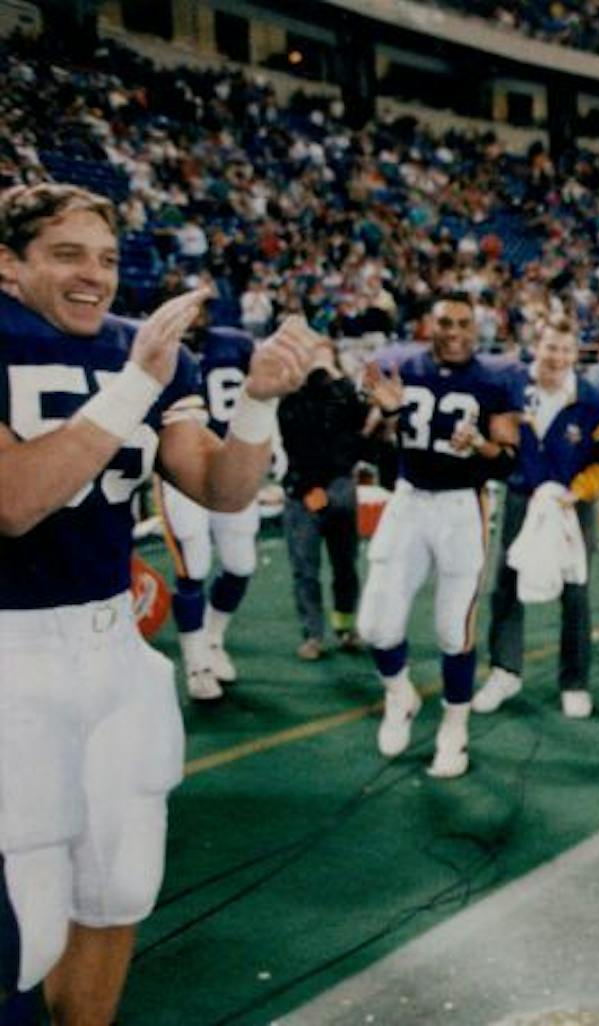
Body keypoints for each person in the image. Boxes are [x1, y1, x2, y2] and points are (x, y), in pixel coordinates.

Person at [0, 183, 316, 1026]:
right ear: (7, 263)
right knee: (22, 935)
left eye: (105, 258)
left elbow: (220, 485)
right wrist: (132, 387)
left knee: (118, 886)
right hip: (10, 654)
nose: (93, 276)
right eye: (66, 254)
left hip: (110, 651)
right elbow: (14, 499)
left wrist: (257, 401)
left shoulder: (134, 350)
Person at [355, 293, 522, 779]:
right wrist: (386, 414)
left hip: (461, 507)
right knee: (376, 626)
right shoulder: (402, 366)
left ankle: (455, 728)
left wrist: (481, 445)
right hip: (408, 500)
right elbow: (371, 443)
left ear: (477, 328)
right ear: (430, 324)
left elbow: (509, 458)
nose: (454, 332)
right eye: (445, 322)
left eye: (463, 324)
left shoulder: (495, 378)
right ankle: (399, 694)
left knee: (454, 629)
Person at [473, 317, 599, 719]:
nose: (557, 357)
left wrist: (578, 492)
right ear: (536, 346)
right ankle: (505, 670)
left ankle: (575, 682)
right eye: (550, 347)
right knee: (506, 582)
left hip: (573, 506)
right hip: (522, 498)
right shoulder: (512, 388)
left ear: (576, 354)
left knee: (576, 591)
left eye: (565, 350)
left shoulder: (591, 398)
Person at [152, 297, 261, 700]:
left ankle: (214, 639)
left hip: (230, 461)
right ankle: (196, 663)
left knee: (240, 563)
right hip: (182, 466)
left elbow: (261, 394)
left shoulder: (235, 342)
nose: (192, 318)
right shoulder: (156, 347)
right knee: (193, 567)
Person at [277, 337, 375, 660]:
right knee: (305, 569)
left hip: (339, 487)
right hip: (303, 490)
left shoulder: (343, 395)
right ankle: (313, 635)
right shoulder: (291, 397)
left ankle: (345, 626)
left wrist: (336, 375)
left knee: (345, 565)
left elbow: (361, 420)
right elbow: (297, 434)